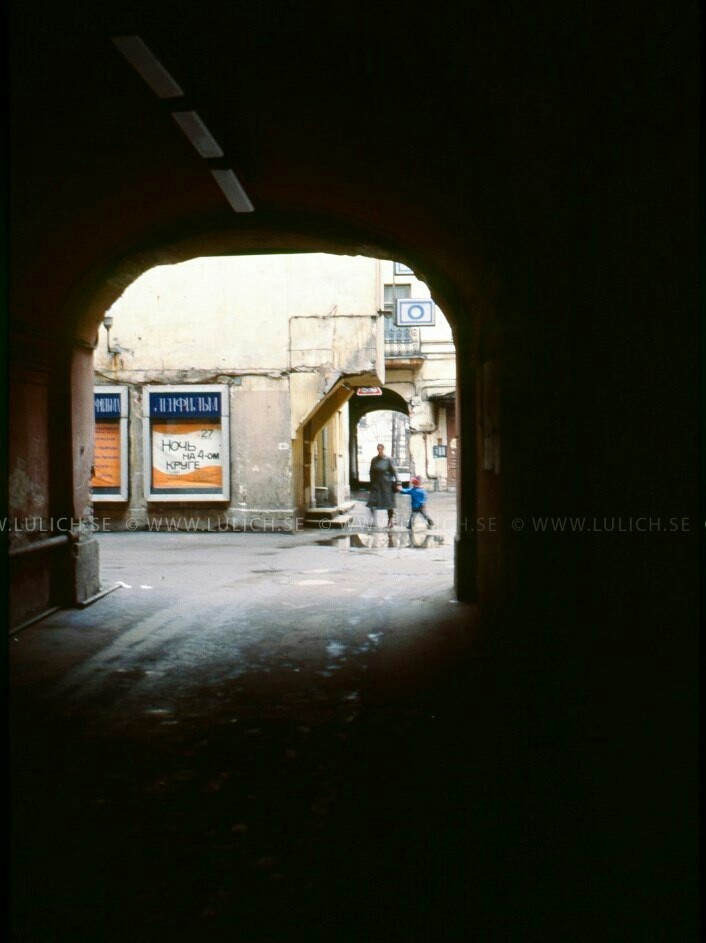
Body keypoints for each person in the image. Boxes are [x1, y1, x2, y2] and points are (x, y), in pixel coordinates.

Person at [366, 443, 398, 528]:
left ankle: (390, 520)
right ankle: (373, 520)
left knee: (389, 503)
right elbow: (371, 472)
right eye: (378, 449)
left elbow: (394, 471)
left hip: (387, 484)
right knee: (372, 502)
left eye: (381, 449)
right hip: (376, 484)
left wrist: (398, 482)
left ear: (383, 449)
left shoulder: (388, 460)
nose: (379, 450)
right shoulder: (374, 460)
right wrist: (371, 483)